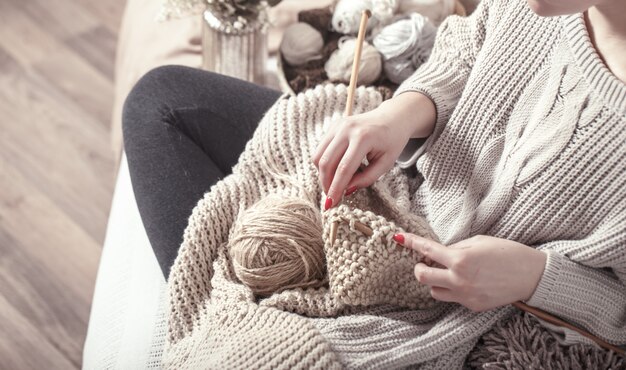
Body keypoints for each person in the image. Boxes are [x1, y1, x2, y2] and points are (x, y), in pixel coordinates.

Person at [123, 0, 626, 351]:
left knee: (256, 346)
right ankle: (239, 304)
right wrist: (400, 115)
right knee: (162, 100)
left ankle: (244, 316)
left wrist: (534, 277)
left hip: (454, 296)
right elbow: (467, 49)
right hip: (398, 187)